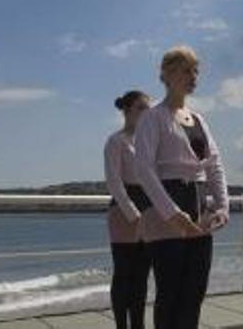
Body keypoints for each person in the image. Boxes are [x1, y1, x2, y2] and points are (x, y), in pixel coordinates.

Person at [133, 46, 229, 329]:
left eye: (196, 70)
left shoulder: (199, 119)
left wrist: (222, 205)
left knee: (194, 293)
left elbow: (214, 165)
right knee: (170, 293)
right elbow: (143, 169)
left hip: (199, 210)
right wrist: (172, 213)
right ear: (168, 73)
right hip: (168, 211)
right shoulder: (153, 117)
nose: (193, 76)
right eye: (187, 70)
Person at [105, 90, 153, 328]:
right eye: (141, 108)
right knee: (124, 273)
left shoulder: (149, 143)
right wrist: (132, 213)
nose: (146, 113)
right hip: (124, 210)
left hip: (148, 208)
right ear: (127, 110)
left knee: (142, 276)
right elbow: (113, 181)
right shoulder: (116, 141)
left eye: (148, 108)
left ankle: (138, 325)